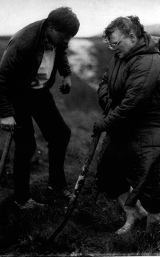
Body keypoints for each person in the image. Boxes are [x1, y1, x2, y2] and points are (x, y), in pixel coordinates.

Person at [93, 15, 160, 234]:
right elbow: (104, 83)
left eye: (116, 43)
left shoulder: (149, 61)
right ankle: (135, 213)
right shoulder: (120, 55)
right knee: (107, 168)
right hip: (128, 122)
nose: (113, 48)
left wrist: (104, 123)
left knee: (146, 175)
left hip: (154, 126)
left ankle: (154, 231)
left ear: (131, 36)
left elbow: (131, 105)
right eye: (110, 44)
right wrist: (110, 101)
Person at [0, 7, 80, 210]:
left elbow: (61, 50)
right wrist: (7, 114)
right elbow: (2, 79)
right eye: (65, 35)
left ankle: (56, 185)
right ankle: (22, 199)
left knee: (60, 134)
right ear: (51, 27)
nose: (67, 40)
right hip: (18, 95)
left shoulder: (57, 37)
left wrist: (66, 74)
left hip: (40, 93)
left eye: (71, 36)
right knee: (26, 146)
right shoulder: (23, 43)